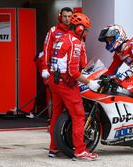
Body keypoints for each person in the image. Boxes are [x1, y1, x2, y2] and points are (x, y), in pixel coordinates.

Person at [47, 13, 100, 160]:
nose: (87, 33)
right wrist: (89, 82)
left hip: (54, 80)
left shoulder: (62, 38)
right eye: (86, 29)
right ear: (79, 29)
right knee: (78, 115)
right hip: (66, 83)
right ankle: (80, 151)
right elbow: (73, 71)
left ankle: (54, 148)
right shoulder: (75, 42)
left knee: (56, 115)